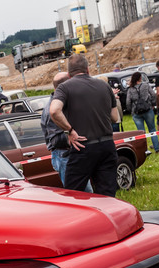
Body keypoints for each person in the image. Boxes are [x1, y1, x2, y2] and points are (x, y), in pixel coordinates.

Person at [49, 54, 119, 197]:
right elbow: (115, 117)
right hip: (107, 145)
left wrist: (69, 130)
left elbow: (54, 110)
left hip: (83, 146)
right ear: (88, 69)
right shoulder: (104, 85)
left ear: (69, 74)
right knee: (107, 195)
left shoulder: (64, 87)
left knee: (74, 194)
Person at [41, 72, 93, 192]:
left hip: (72, 155)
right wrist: (71, 135)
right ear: (65, 86)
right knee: (78, 194)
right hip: (64, 157)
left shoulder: (64, 103)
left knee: (87, 194)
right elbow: (55, 140)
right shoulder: (53, 110)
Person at [126, 71, 159, 154]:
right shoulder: (145, 85)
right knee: (152, 129)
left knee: (141, 132)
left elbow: (128, 101)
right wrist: (153, 104)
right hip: (147, 109)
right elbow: (153, 94)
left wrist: (131, 110)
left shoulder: (130, 89)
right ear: (140, 78)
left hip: (136, 112)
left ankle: (145, 150)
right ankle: (157, 148)